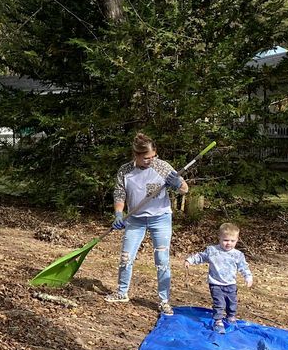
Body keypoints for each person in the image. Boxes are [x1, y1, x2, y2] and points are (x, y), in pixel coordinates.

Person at [105, 132, 189, 315]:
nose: (151, 160)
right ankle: (121, 292)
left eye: (153, 156)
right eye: (146, 158)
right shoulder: (125, 171)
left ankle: (164, 301)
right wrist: (119, 213)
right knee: (126, 256)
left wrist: (177, 183)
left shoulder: (162, 167)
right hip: (135, 219)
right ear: (136, 156)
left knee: (162, 260)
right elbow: (120, 194)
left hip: (160, 218)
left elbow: (185, 189)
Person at [185, 222, 254, 333]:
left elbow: (243, 266)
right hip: (215, 283)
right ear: (219, 238)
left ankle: (231, 316)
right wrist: (190, 260)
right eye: (226, 240)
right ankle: (218, 321)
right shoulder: (213, 251)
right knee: (219, 303)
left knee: (232, 303)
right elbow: (201, 256)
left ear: (237, 240)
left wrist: (248, 277)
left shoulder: (238, 254)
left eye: (232, 241)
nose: (229, 244)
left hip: (230, 283)